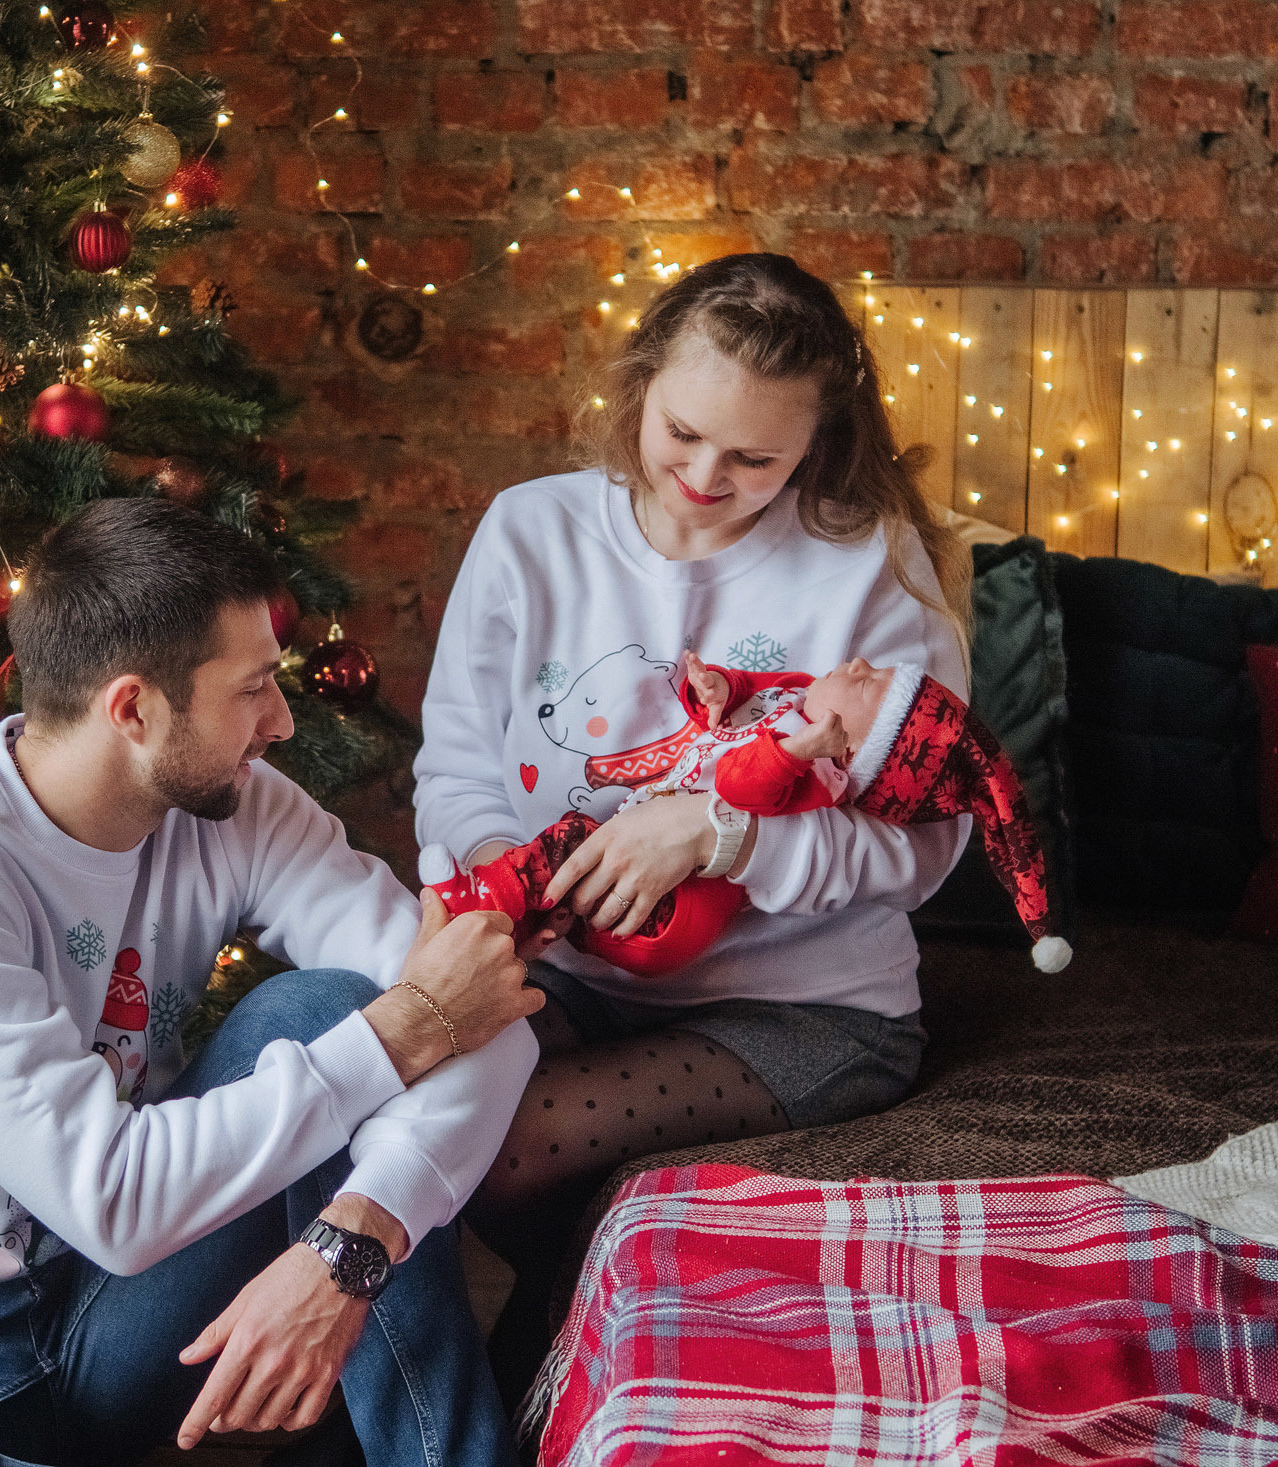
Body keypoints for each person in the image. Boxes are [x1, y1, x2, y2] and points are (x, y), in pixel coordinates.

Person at [0, 497, 549, 1467]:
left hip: (117, 1309)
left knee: (323, 1010)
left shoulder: (240, 810)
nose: (282, 723)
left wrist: (352, 1246)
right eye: (253, 689)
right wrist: (411, 1026)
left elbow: (486, 1008)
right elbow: (113, 1198)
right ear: (133, 708)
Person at [412, 252, 975, 1392]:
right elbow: (459, 764)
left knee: (505, 1154)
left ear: (815, 445)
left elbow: (925, 850)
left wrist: (722, 837)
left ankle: (494, 1409)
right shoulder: (531, 531)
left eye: (755, 457)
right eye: (681, 433)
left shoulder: (865, 565)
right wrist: (506, 880)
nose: (706, 477)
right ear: (636, 390)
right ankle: (470, 1404)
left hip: (804, 1009)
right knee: (410, 1115)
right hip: (570, 972)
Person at [426, 652, 1072, 977]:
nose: (854, 662)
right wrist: (717, 689)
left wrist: (796, 751)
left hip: (671, 919)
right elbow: (752, 690)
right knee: (564, 875)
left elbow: (739, 785)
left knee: (569, 840)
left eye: (869, 681)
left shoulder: (819, 772)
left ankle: (481, 895)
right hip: (622, 899)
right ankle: (518, 915)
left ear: (855, 748)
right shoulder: (800, 698)